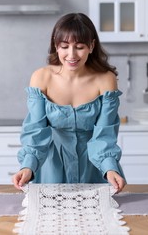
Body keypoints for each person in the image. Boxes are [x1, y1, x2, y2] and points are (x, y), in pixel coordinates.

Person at [12, 13, 126, 193]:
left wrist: (110, 167)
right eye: (64, 46)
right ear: (56, 46)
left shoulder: (106, 79)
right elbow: (36, 131)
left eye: (79, 47)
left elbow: (105, 134)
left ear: (91, 46)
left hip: (95, 167)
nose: (71, 55)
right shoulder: (41, 77)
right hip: (51, 166)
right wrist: (28, 166)